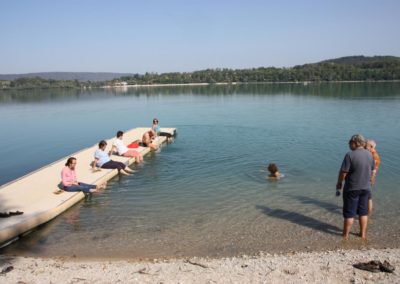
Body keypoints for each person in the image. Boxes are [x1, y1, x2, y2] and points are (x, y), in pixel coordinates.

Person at [336, 134, 375, 240]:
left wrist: (339, 183)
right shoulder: (370, 155)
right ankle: (362, 235)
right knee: (363, 213)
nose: (349, 144)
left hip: (352, 188)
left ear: (355, 143)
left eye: (350, 142)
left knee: (349, 213)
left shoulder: (350, 155)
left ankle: (345, 236)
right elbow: (372, 170)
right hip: (366, 188)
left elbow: (343, 172)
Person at [366, 139, 381, 215]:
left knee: (368, 197)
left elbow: (374, 170)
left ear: (371, 146)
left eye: (366, 145)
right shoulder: (370, 154)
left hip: (368, 179)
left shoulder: (374, 156)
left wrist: (371, 180)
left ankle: (368, 215)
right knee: (367, 196)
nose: (365, 146)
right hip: (367, 178)